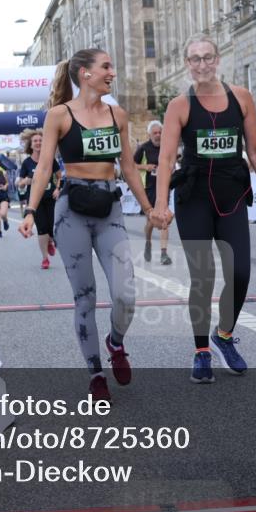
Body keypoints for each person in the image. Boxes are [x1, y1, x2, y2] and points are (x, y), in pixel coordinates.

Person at [18, 48, 154, 402]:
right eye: (106, 66)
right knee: (85, 299)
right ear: (85, 75)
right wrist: (31, 211)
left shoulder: (117, 114)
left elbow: (127, 166)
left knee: (126, 294)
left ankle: (116, 343)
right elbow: (44, 166)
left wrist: (149, 208)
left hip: (109, 209)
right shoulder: (58, 116)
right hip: (71, 212)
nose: (112, 72)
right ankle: (96, 374)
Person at [153, 34, 256, 384]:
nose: (202, 64)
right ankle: (201, 352)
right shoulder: (180, 105)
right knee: (203, 277)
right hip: (194, 196)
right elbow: (165, 158)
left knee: (239, 274)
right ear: (187, 64)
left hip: (232, 194)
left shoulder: (241, 98)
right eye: (195, 59)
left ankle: (223, 336)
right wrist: (161, 204)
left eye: (207, 57)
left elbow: (255, 149)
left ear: (218, 59)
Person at [18, 129, 60, 269]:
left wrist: (57, 188)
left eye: (41, 141)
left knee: (52, 228)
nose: (38, 143)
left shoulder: (50, 160)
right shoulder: (26, 163)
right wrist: (26, 181)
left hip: (51, 198)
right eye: (35, 141)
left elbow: (59, 176)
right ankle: (45, 258)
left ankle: (50, 241)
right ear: (31, 145)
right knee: (42, 229)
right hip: (36, 201)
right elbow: (19, 182)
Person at [133, 120, 172, 265]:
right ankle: (148, 243)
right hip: (149, 189)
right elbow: (132, 165)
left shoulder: (166, 147)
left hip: (164, 187)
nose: (158, 135)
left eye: (160, 132)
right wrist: (146, 167)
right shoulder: (143, 148)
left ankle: (164, 254)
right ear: (149, 134)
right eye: (155, 133)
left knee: (164, 220)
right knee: (150, 222)